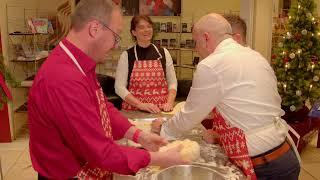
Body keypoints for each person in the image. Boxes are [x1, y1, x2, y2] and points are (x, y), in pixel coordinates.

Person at [28, 0, 186, 179]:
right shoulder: (63, 78)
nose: (116, 45)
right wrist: (159, 158)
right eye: (116, 36)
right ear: (94, 29)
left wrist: (139, 135)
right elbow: (99, 151)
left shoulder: (79, 64)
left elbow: (101, 108)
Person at [152, 13, 300, 179]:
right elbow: (246, 107)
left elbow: (190, 115)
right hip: (285, 155)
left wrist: (163, 129)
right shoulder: (255, 55)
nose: (195, 48)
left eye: (196, 41)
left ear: (206, 38)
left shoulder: (211, 65)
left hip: (264, 166)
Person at [115, 15, 177, 113]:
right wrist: (140, 105)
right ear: (133, 32)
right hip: (134, 110)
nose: (146, 30)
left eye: (149, 26)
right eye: (141, 27)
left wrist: (169, 102)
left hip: (160, 109)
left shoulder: (164, 53)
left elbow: (172, 83)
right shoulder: (126, 55)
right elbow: (119, 87)